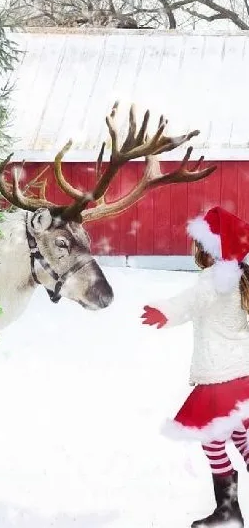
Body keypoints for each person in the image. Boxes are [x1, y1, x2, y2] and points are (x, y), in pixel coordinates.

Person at [141, 206, 249, 527]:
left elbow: (191, 302)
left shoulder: (216, 280)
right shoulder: (240, 276)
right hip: (241, 372)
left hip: (222, 376)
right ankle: (228, 512)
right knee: (242, 438)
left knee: (214, 440)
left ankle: (228, 512)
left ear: (208, 247)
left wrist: (166, 312)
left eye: (197, 243)